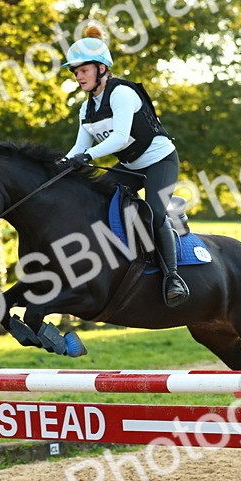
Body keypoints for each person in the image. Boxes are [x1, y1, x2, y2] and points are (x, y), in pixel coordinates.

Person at [56, 25, 190, 307]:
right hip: (130, 166)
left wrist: (88, 157)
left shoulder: (122, 93)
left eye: (83, 70)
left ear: (101, 68)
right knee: (100, 200)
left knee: (153, 213)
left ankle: (173, 277)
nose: (78, 76)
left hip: (159, 161)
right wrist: (62, 164)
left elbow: (118, 138)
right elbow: (79, 147)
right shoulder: (87, 107)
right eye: (75, 71)